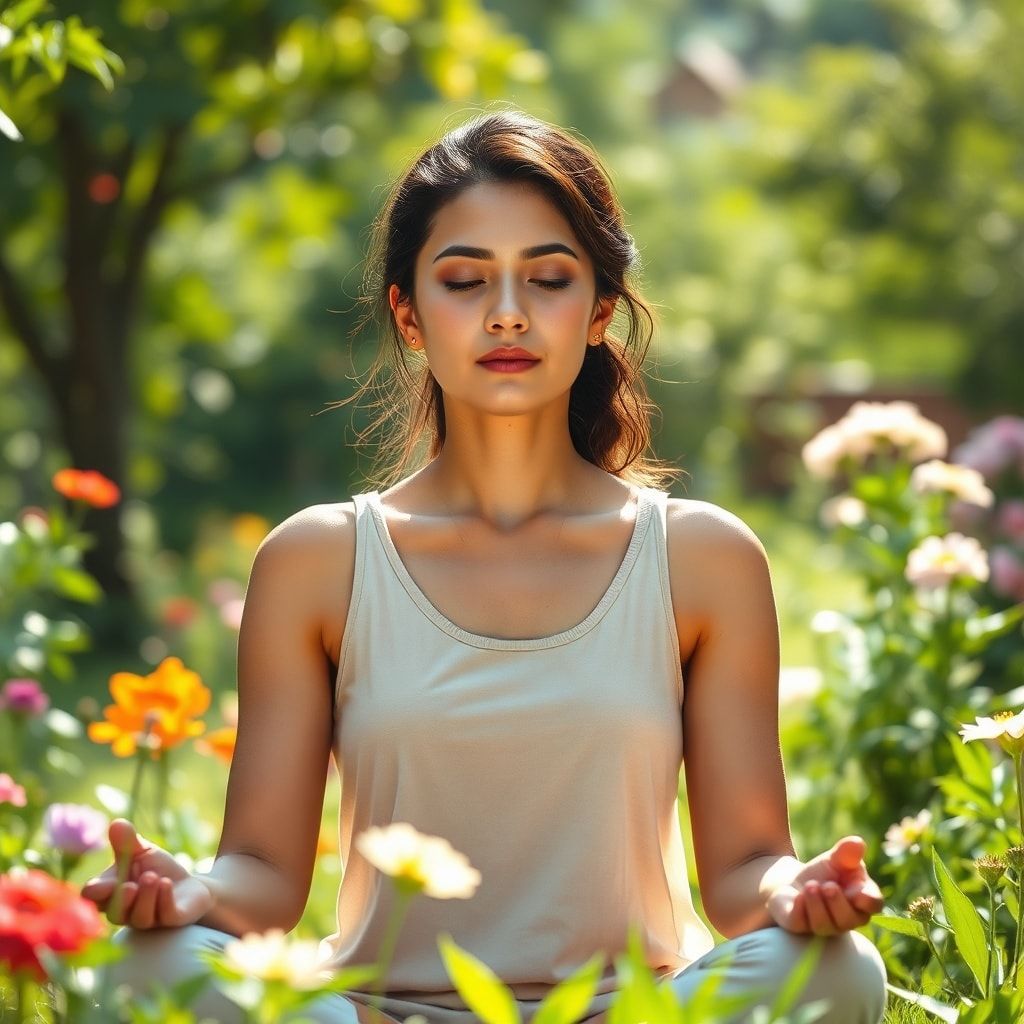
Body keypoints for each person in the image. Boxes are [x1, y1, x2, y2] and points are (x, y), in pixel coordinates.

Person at [82, 108, 889, 1024]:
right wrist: (185, 893)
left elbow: (744, 871)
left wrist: (796, 890)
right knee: (144, 972)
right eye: (464, 280)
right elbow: (263, 877)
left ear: (597, 313)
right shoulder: (318, 561)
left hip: (628, 1015)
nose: (507, 311)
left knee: (836, 973)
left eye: (547, 279)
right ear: (409, 316)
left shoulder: (702, 557)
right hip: (379, 1016)